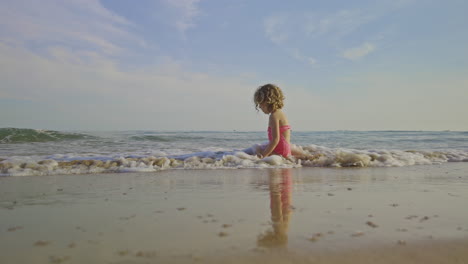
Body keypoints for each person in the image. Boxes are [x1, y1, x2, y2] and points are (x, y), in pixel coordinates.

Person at [254, 84, 292, 159]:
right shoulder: (280, 113)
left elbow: (275, 140)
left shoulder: (274, 116)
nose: (259, 107)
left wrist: (263, 156)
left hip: (280, 153)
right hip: (285, 151)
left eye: (260, 103)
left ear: (267, 102)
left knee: (256, 152)